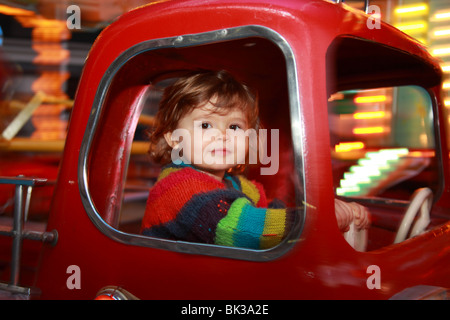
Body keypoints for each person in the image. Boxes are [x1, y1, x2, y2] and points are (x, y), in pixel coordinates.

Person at [141, 70, 370, 249]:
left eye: (234, 126)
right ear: (173, 139)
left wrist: (322, 210)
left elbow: (274, 209)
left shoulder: (236, 183)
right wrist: (315, 220)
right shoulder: (179, 186)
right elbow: (241, 229)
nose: (223, 135)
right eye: (205, 125)